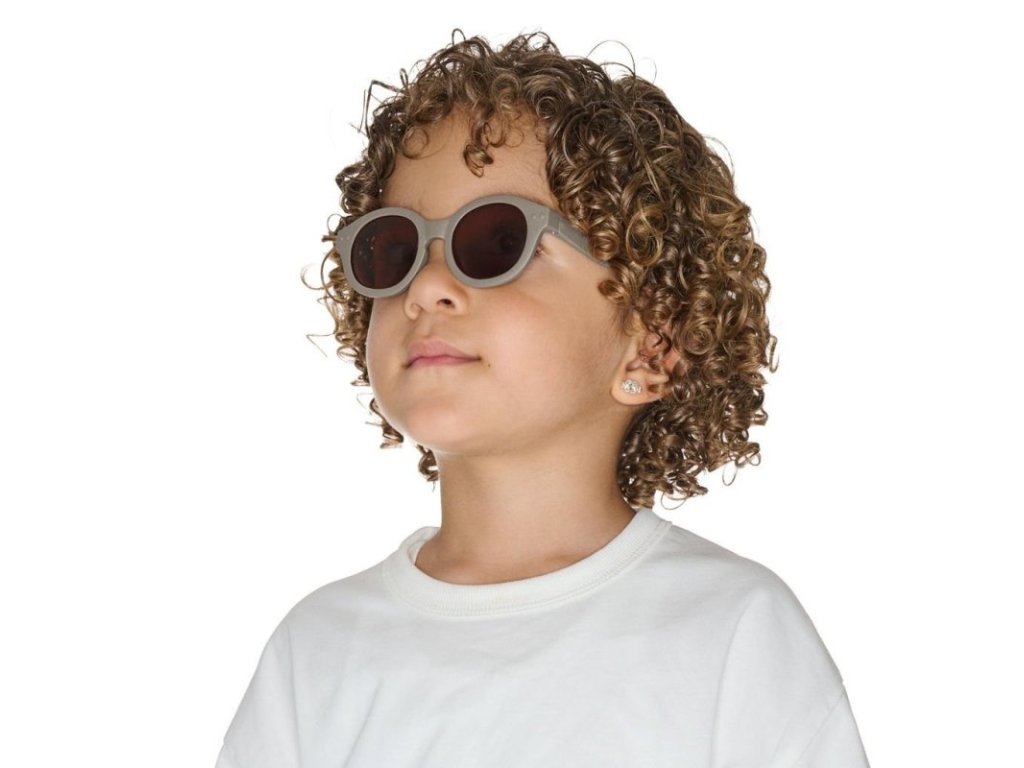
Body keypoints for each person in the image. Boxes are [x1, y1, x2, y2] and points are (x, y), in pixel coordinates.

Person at [214, 29, 871, 767]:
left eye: (497, 242)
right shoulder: (319, 651)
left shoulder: (733, 634)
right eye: (395, 249)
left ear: (650, 344)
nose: (425, 288)